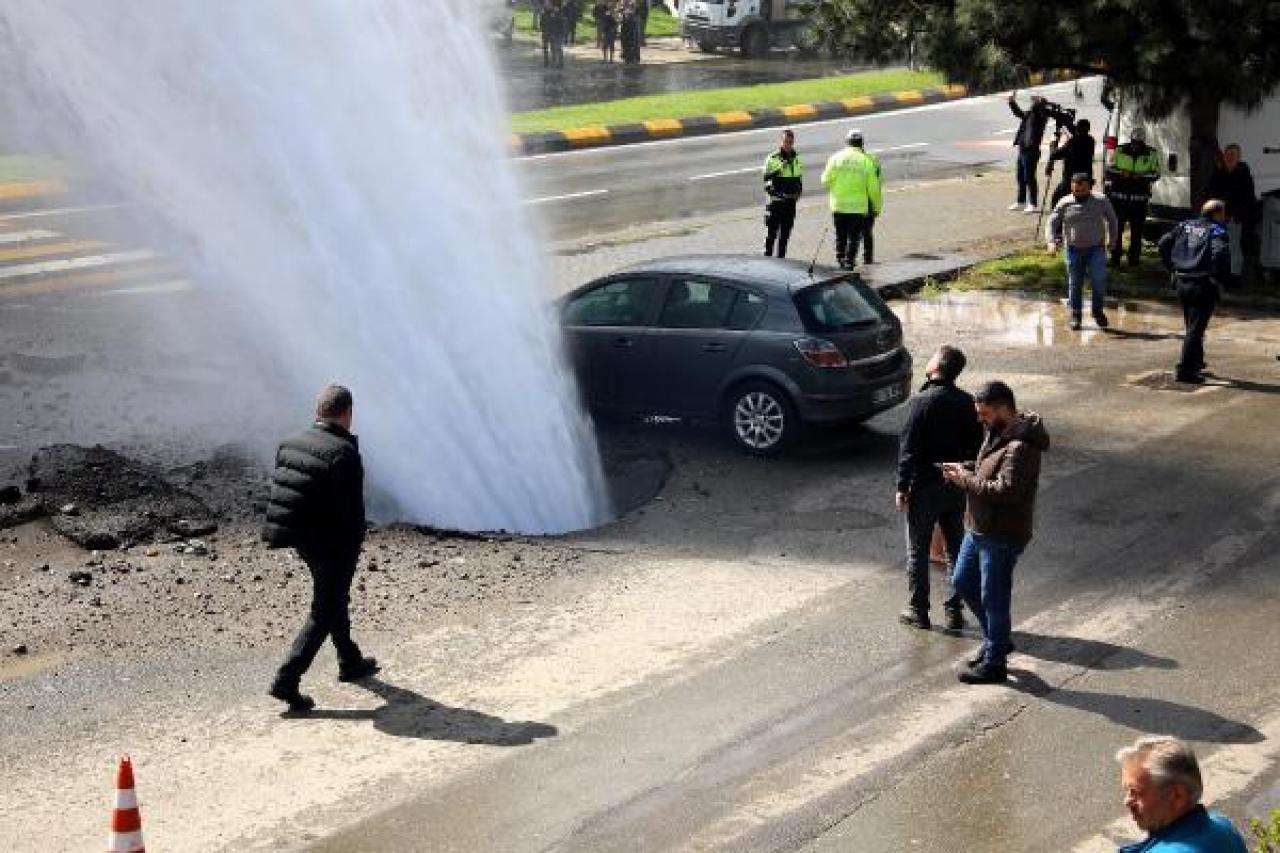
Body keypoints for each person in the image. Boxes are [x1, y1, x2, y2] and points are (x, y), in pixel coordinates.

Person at [263, 385, 378, 712]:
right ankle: (287, 679)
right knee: (325, 609)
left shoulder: (291, 443)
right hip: (330, 543)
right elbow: (351, 512)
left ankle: (349, 659)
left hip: (301, 538)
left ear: (319, 411)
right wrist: (354, 544)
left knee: (333, 597)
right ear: (348, 414)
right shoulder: (343, 453)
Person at [941, 381, 1049, 685]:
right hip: (978, 527)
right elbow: (987, 468)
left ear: (1003, 409)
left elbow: (1006, 491)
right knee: (962, 580)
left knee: (994, 599)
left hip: (1002, 535)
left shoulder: (1022, 447)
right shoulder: (998, 431)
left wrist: (965, 480)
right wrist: (964, 469)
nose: (980, 419)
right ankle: (997, 641)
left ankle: (995, 664)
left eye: (984, 413)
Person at [895, 346, 983, 631]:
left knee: (918, 550)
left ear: (936, 366)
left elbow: (908, 449)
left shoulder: (920, 402)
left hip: (924, 485)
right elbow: (977, 448)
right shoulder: (968, 403)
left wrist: (902, 486)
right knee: (955, 548)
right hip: (956, 485)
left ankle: (918, 610)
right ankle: (954, 610)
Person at [1114, 736, 1248, 852]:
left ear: (1178, 796)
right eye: (1127, 791)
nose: (1127, 801)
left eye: (1135, 792)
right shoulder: (1224, 827)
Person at [1158, 199, 1232, 384]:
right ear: (1217, 214)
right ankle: (1185, 370)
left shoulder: (1185, 225)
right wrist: (1220, 278)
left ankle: (1196, 361)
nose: (1225, 217)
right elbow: (1221, 254)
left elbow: (1163, 243)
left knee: (1192, 325)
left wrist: (1172, 268)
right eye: (1223, 213)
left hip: (1182, 281)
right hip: (1202, 283)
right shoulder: (1217, 230)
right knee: (1195, 329)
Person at [1046, 172, 1119, 330]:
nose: (1077, 191)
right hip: (1073, 249)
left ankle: (1097, 311)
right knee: (1075, 283)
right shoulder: (1065, 202)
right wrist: (1051, 242)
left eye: (1081, 188)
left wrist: (1112, 241)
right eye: (1074, 189)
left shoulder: (1101, 200)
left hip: (1096, 249)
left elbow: (1113, 220)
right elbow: (1051, 222)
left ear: (1089, 187)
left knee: (1098, 281)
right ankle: (1076, 313)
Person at [820, 128, 882, 270]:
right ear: (861, 144)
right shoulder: (866, 161)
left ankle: (840, 260)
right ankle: (849, 262)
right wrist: (877, 208)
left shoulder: (835, 158)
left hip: (838, 205)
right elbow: (874, 189)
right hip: (857, 207)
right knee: (853, 238)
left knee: (840, 236)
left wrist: (838, 187)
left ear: (847, 143)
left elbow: (825, 180)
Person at [1105, 127, 1161, 267]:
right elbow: (1109, 169)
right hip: (1119, 198)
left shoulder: (1151, 153)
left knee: (1137, 231)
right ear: (1130, 140)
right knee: (1116, 229)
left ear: (1143, 142)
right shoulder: (1119, 150)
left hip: (1139, 199)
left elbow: (1156, 174)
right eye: (1134, 142)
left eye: (1139, 143)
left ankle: (1133, 260)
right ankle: (1115, 258)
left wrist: (1141, 176)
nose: (1136, 145)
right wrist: (1121, 173)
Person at [1206, 143, 1260, 277]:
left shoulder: (1244, 174)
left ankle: (1234, 276)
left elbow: (1248, 199)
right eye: (1228, 154)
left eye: (1233, 155)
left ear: (1239, 157)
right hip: (1218, 217)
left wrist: (1237, 215)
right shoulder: (1217, 173)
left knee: (1234, 247)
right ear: (1224, 156)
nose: (1230, 157)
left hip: (1235, 218)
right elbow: (1211, 194)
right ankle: (1219, 274)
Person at [762, 128, 804, 258]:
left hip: (790, 203)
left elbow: (799, 178)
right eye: (786, 142)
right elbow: (766, 179)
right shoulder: (772, 158)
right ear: (781, 141)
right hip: (776, 202)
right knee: (771, 234)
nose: (788, 145)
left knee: (785, 235)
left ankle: (781, 260)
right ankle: (768, 258)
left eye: (790, 142)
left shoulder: (797, 158)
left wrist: (799, 192)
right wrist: (779, 170)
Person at [1008, 92, 1049, 213]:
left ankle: (1033, 203)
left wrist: (1039, 100)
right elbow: (1018, 113)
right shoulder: (1029, 114)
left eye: (1034, 102)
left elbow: (1039, 106)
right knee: (1020, 176)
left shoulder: (1041, 115)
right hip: (1022, 148)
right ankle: (1021, 201)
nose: (1032, 103)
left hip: (1031, 150)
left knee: (1029, 177)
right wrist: (1012, 102)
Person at [1048, 118, 1096, 207]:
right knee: (1081, 203)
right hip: (1087, 177)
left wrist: (1053, 142)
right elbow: (1077, 132)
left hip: (1072, 179)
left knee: (1056, 200)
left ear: (1077, 129)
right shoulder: (1091, 140)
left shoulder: (1073, 141)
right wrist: (1068, 124)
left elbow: (1054, 155)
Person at [861, 141, 882, 264]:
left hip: (847, 205)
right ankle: (868, 260)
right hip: (867, 203)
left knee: (850, 235)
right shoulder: (872, 158)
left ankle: (846, 263)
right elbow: (877, 185)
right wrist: (877, 207)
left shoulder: (840, 158)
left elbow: (827, 180)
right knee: (867, 233)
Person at [541, 0, 565, 68]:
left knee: (556, 48)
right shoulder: (545, 13)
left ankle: (558, 63)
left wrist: (559, 33)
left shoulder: (558, 13)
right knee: (546, 48)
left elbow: (561, 23)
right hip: (546, 32)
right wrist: (543, 30)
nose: (547, 5)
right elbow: (542, 23)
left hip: (555, 33)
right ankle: (546, 62)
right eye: (546, 4)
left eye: (548, 4)